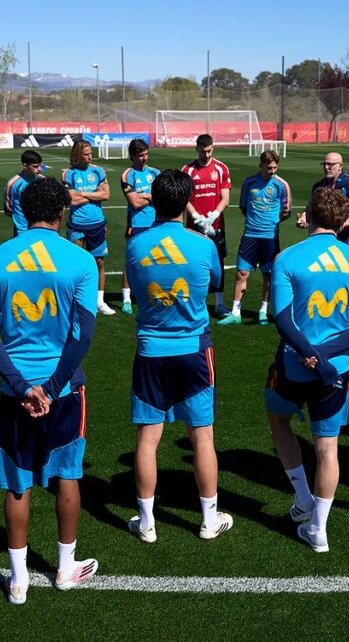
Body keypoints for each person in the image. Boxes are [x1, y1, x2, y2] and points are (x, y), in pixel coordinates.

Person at [0, 177, 100, 604]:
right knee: (67, 475)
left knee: (17, 482)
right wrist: (50, 387)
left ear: (22, 212)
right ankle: (65, 569)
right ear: (62, 212)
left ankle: (18, 580)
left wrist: (22, 386)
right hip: (63, 391)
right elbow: (83, 334)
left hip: (16, 393)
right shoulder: (80, 260)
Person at [265, 188, 349, 552]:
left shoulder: (288, 258)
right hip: (335, 368)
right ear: (343, 223)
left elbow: (282, 319)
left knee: (278, 419)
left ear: (310, 216)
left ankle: (303, 498)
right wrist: (324, 354)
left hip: (293, 363)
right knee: (328, 449)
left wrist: (308, 353)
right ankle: (318, 529)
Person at [124, 169, 232, 543]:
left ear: (154, 199)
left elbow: (137, 287)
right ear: (187, 202)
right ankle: (209, 519)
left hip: (151, 349)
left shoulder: (135, 245)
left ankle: (146, 523)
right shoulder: (202, 244)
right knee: (202, 436)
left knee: (147, 437)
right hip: (194, 349)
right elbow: (215, 282)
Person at [217, 150, 291, 326]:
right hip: (250, 235)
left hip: (270, 237)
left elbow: (286, 211)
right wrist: (255, 222)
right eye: (269, 168)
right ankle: (236, 312)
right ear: (261, 166)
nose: (272, 171)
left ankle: (263, 311)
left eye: (275, 167)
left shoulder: (281, 185)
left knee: (268, 275)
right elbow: (243, 207)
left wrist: (269, 222)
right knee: (241, 273)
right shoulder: (249, 182)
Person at [63, 140, 114, 315]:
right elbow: (71, 200)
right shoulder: (69, 174)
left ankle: (99, 302)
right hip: (77, 224)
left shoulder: (98, 171)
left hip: (97, 223)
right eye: (86, 154)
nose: (90, 157)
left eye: (91, 153)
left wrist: (82, 193)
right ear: (77, 155)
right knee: (76, 263)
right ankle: (75, 300)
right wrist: (95, 194)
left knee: (99, 262)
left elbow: (106, 195)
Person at [182, 134, 232, 316]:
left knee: (218, 265)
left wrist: (212, 217)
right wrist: (198, 218)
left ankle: (219, 304)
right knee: (194, 265)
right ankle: (196, 303)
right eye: (203, 151)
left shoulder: (221, 168)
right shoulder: (187, 170)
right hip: (194, 228)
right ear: (197, 149)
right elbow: (185, 199)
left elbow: (225, 198)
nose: (207, 155)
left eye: (209, 151)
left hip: (216, 227)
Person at [119, 139, 158, 315]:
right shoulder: (127, 175)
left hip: (156, 223)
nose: (145, 158)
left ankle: (150, 292)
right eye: (141, 155)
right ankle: (126, 299)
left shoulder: (155, 173)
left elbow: (160, 197)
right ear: (132, 156)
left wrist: (144, 195)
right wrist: (151, 196)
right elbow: (134, 203)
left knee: (155, 260)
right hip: (137, 224)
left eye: (146, 154)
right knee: (132, 261)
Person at [296, 152, 349, 248]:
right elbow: (310, 208)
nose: (326, 167)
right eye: (324, 164)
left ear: (340, 166)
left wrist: (340, 225)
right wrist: (304, 219)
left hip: (343, 240)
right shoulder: (319, 186)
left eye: (330, 164)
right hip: (319, 237)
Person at [4, 150, 44, 237]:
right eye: (35, 166)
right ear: (25, 166)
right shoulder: (13, 184)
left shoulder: (42, 180)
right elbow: (9, 208)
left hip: (40, 228)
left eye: (40, 165)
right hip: (22, 230)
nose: (40, 169)